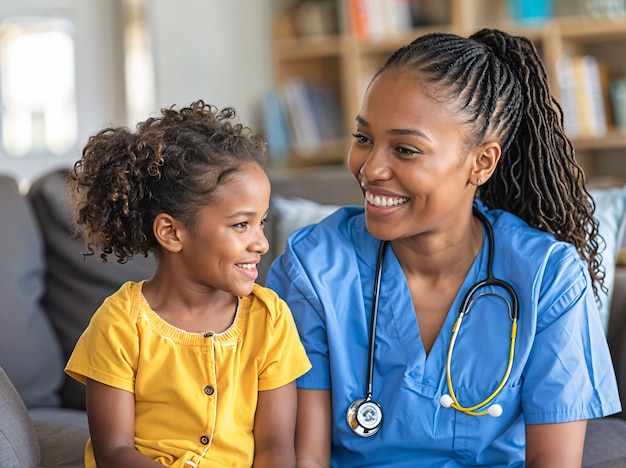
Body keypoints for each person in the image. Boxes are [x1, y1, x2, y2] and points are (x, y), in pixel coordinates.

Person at [266, 28, 622, 467]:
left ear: (482, 162)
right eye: (363, 139)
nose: (371, 168)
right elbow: (306, 459)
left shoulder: (547, 276)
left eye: (405, 149)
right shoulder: (314, 268)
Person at [65, 101, 311, 468]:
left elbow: (276, 449)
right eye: (242, 225)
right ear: (171, 232)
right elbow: (113, 452)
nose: (261, 243)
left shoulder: (270, 319)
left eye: (262, 222)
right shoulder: (119, 323)